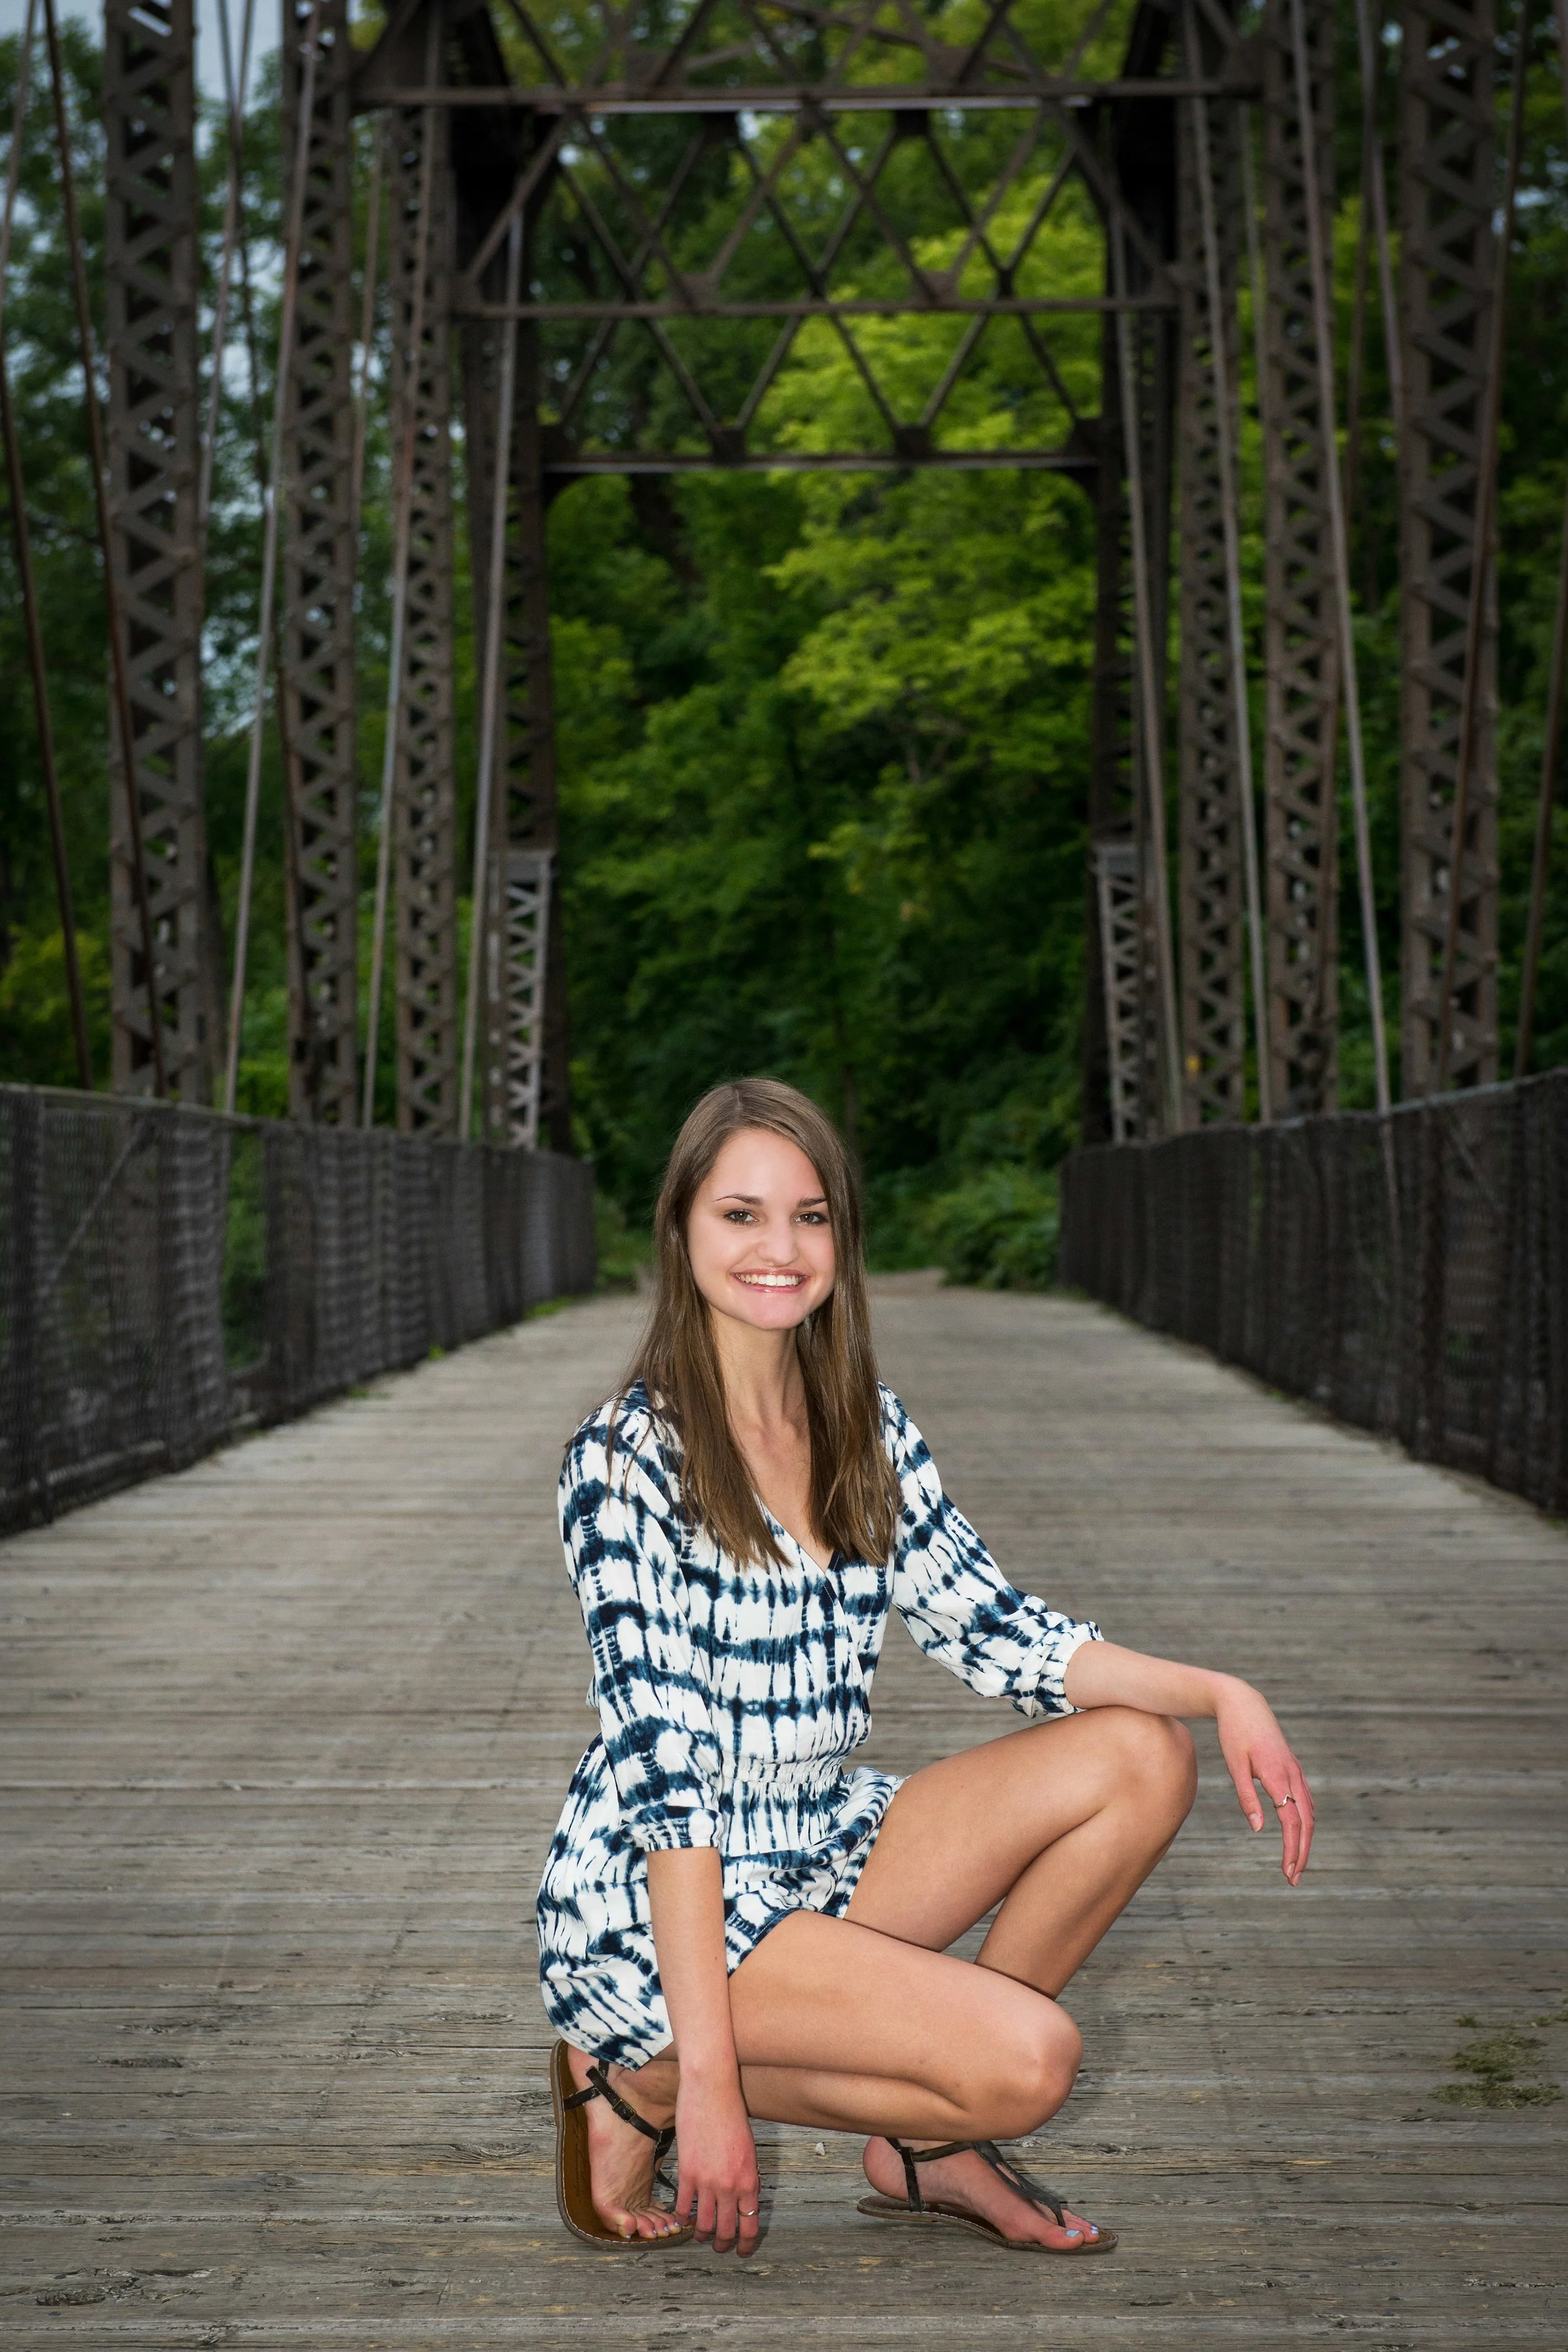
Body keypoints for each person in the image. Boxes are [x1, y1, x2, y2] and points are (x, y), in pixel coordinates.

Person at [539, 1079, 1313, 2260]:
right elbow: (664, 1777)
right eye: (740, 1214)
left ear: (843, 1236)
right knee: (1030, 2060)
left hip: (818, 1837)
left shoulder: (868, 1429)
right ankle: (637, 2075)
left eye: (810, 1216)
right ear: (683, 1228)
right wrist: (709, 2081)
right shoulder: (623, 1459)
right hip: (656, 1899)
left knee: (1141, 1754)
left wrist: (1221, 1691)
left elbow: (1002, 1631)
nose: (778, 1249)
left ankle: (925, 2144)